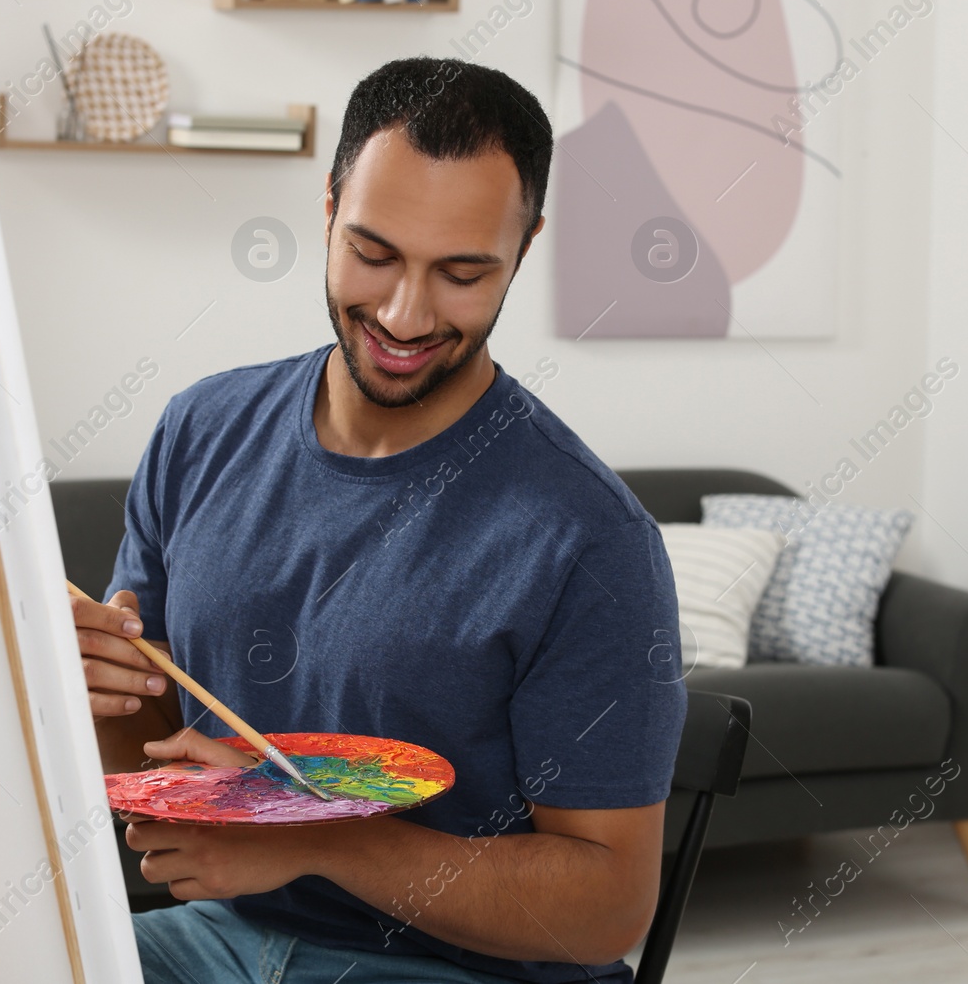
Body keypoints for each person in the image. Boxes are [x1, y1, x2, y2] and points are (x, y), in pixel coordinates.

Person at [70, 56, 686, 984]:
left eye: (462, 272)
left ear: (525, 247)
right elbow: (152, 760)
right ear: (327, 208)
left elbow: (607, 908)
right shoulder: (201, 431)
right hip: (221, 941)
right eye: (374, 252)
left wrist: (319, 840)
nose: (405, 314)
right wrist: (85, 687)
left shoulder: (588, 536)